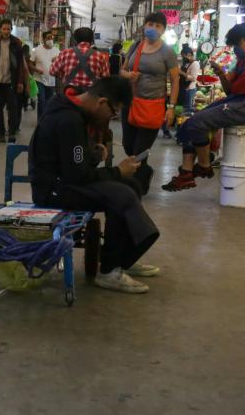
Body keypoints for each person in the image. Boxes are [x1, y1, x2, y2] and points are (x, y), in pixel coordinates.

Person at [28, 77, 161, 294]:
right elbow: (78, 176)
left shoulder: (72, 110)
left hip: (63, 181)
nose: (112, 117)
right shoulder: (69, 121)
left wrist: (93, 154)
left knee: (131, 186)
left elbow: (73, 157)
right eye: (113, 112)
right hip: (52, 191)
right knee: (121, 194)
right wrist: (117, 171)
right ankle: (109, 272)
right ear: (101, 102)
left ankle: (121, 260)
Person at [163, 23, 245, 192]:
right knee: (188, 124)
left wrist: (229, 79)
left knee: (198, 122)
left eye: (237, 46)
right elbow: (229, 89)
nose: (236, 51)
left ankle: (204, 165)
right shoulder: (243, 61)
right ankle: (187, 172)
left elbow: (236, 89)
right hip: (239, 102)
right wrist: (221, 74)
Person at [120, 12, 180, 194]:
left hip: (153, 105)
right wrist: (129, 75)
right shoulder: (135, 46)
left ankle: (136, 187)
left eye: (158, 26)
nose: (153, 28)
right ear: (145, 25)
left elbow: (175, 81)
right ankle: (145, 171)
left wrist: (171, 108)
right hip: (131, 103)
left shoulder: (167, 52)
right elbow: (122, 70)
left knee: (140, 150)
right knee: (128, 146)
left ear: (163, 30)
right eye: (151, 24)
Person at [0, 18, 28, 143]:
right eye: (4, 29)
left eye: (8, 29)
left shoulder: (16, 43)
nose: (6, 31)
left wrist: (20, 81)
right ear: (0, 29)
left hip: (11, 81)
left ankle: (12, 132)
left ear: (11, 29)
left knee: (13, 108)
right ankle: (1, 132)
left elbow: (20, 64)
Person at [49, 26, 110, 93]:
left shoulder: (65, 53)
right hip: (91, 96)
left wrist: (64, 75)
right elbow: (106, 78)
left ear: (75, 40)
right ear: (92, 41)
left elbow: (52, 71)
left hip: (69, 95)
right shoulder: (100, 56)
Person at [30, 31, 60, 120]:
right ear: (43, 39)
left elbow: (61, 65)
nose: (50, 39)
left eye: (51, 37)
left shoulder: (57, 51)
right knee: (41, 100)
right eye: (48, 38)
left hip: (51, 80)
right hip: (39, 80)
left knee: (49, 102)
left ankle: (46, 119)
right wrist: (36, 69)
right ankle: (40, 120)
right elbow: (30, 63)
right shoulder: (37, 50)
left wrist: (57, 61)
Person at [179, 46, 201, 115]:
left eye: (184, 56)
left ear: (189, 54)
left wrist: (181, 73)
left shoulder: (195, 64)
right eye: (182, 56)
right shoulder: (187, 62)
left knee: (187, 110)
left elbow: (193, 78)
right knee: (183, 109)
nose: (183, 58)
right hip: (183, 88)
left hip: (189, 89)